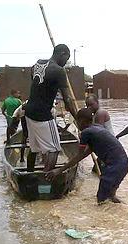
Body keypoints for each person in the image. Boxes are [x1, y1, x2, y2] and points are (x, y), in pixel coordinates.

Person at [46, 108, 128, 204]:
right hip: (123, 165)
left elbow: (78, 156)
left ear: (81, 121)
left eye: (76, 121)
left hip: (114, 167)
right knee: (111, 197)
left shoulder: (86, 133)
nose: (76, 124)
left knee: (101, 200)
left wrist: (59, 170)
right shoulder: (97, 128)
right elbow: (84, 154)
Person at [24, 44, 75, 172]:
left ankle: (30, 175)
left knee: (34, 148)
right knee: (54, 149)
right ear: (62, 54)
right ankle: (46, 179)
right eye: (66, 58)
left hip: (29, 111)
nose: (65, 62)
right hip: (43, 115)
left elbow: (38, 86)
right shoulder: (59, 70)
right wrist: (76, 117)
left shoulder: (36, 65)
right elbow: (67, 99)